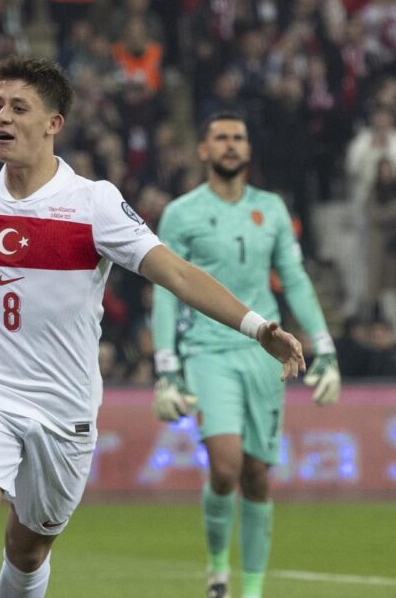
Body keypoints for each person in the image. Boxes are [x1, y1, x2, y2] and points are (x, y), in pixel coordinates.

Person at [0, 57, 306, 598]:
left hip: (66, 407)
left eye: (18, 107)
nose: (0, 116)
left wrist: (257, 326)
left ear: (54, 123)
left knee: (27, 553)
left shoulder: (93, 204)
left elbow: (176, 272)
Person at [150, 110, 341, 598]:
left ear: (248, 150)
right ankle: (218, 571)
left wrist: (325, 348)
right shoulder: (182, 213)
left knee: (257, 476)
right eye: (221, 138)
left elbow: (294, 279)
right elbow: (169, 290)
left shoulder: (272, 209)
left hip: (265, 351)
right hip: (207, 349)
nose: (231, 145)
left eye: (239, 137)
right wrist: (166, 367)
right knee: (226, 464)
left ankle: (251, 591)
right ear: (204, 150)